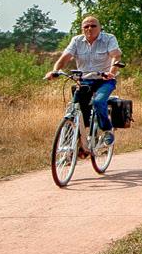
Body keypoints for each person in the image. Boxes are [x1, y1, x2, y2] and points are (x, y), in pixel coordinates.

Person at [46, 15, 123, 154]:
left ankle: (107, 130)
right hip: (84, 80)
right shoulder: (77, 40)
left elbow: (116, 56)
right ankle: (74, 144)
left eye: (93, 26)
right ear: (82, 29)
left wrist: (111, 72)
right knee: (74, 109)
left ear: (100, 28)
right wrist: (55, 71)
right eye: (86, 26)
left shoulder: (109, 38)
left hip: (105, 80)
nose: (89, 29)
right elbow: (65, 58)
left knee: (99, 101)